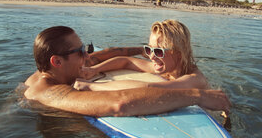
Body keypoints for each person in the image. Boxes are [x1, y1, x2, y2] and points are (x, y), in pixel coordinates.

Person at [24, 26, 231, 117]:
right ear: (57, 61)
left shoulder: (55, 71)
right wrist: (197, 96)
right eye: (80, 52)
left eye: (85, 49)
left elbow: (107, 55)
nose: (87, 57)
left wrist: (140, 50)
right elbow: (119, 103)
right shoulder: (48, 91)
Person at [75, 20, 209, 91]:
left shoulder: (194, 79)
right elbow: (126, 61)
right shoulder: (167, 68)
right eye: (149, 49)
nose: (151, 57)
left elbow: (151, 88)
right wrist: (94, 70)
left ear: (179, 53)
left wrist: (91, 86)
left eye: (158, 51)